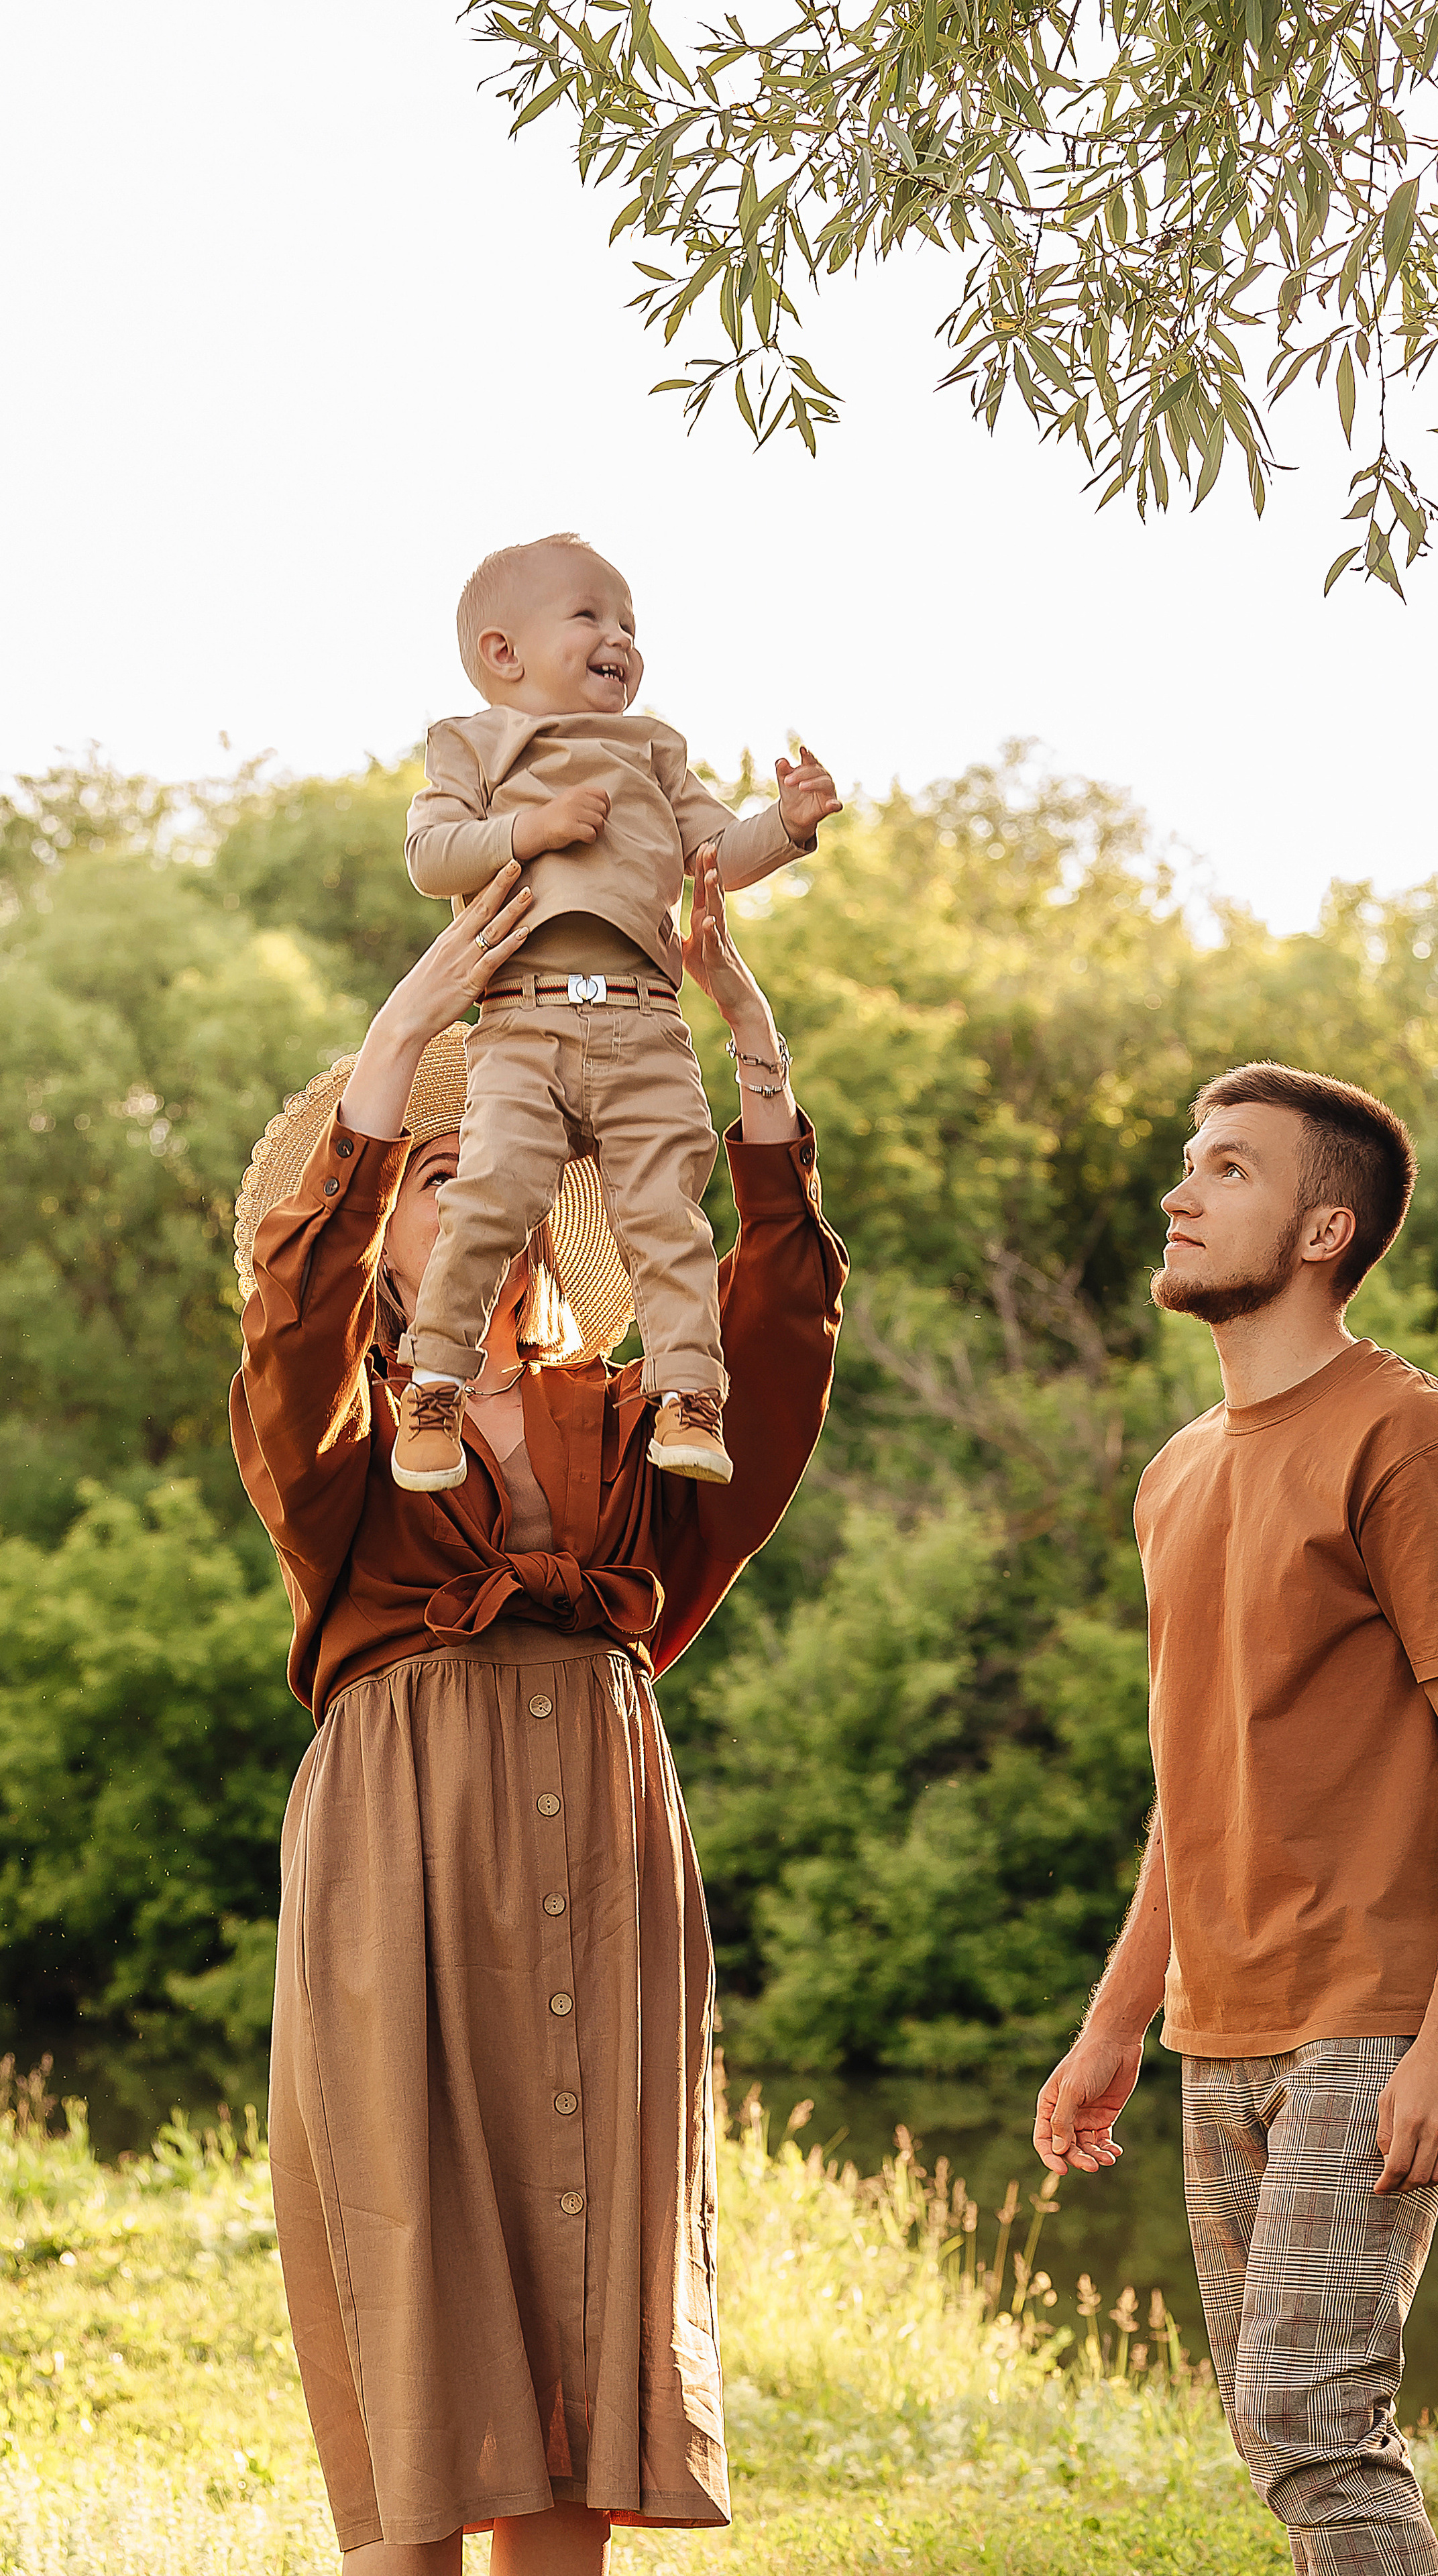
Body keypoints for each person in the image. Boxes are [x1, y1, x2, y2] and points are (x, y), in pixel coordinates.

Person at [229, 850, 846, 2575]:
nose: (471, 1193)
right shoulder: (343, 1421)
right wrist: (408, 1029)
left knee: (592, 2285)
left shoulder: (636, 1412)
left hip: (605, 1819)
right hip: (399, 1838)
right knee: (411, 2254)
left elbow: (781, 1345)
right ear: (385, 1222)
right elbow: (285, 1330)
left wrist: (756, 1058)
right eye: (435, 1173)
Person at [1033, 1061, 1438, 2576]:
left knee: (1310, 2418)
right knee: (1279, 2432)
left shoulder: (1412, 1442)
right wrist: (1116, 2021)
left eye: (1227, 1172)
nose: (1181, 1196)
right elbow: (1192, 1789)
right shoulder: (1175, 1474)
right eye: (1188, 1164)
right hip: (1220, 2025)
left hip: (1368, 2013)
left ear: (1322, 1232)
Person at [394, 529, 842, 1491]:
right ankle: (434, 1385)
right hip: (522, 1022)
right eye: (591, 615)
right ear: (502, 655)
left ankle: (689, 1395)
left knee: (665, 1214)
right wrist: (529, 829)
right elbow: (433, 857)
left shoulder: (653, 748)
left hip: (645, 1025)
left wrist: (789, 825)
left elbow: (719, 853)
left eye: (631, 624)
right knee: (489, 1196)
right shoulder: (470, 743)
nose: (621, 638)